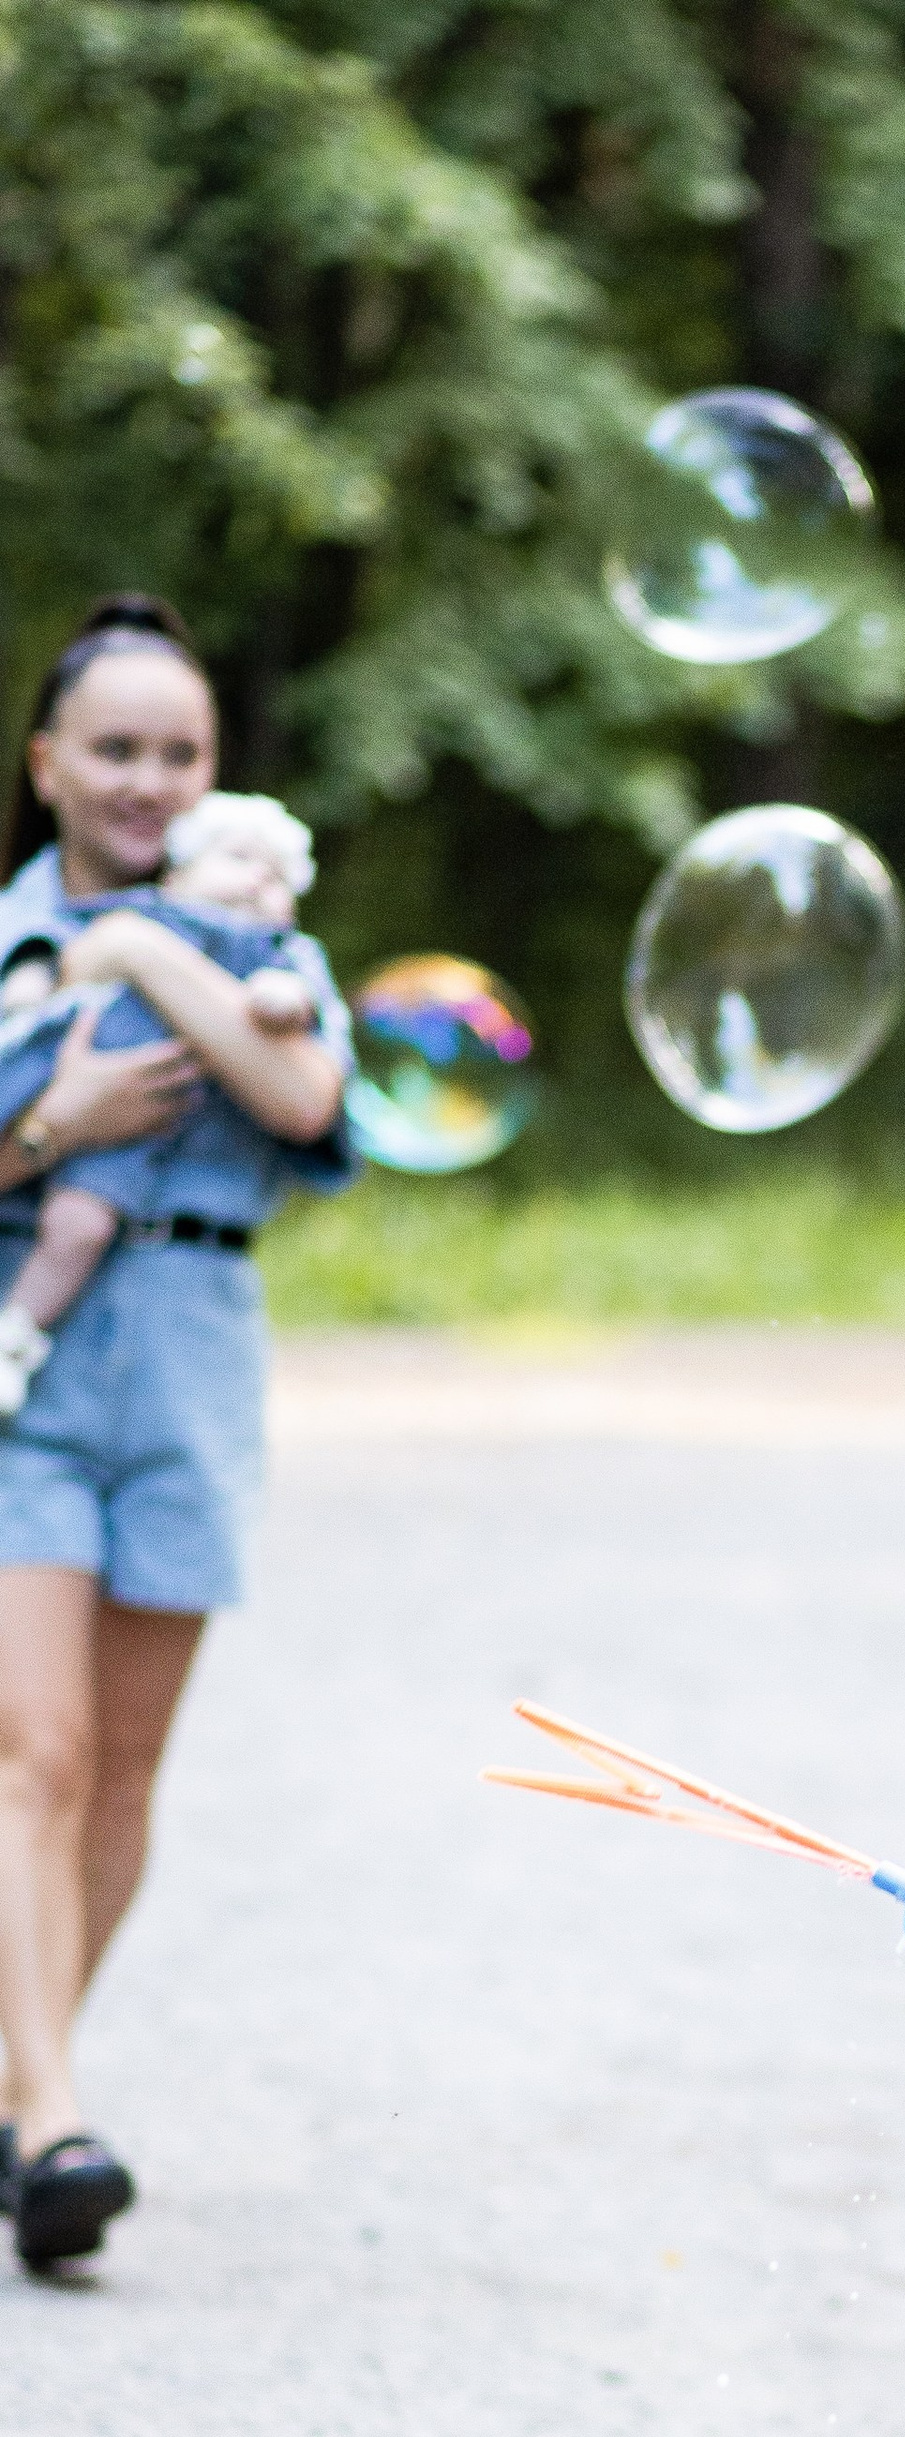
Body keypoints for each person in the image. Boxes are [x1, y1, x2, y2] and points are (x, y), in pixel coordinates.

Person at [0, 596, 353, 2277]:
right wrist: (52, 1127)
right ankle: (54, 2115)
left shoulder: (264, 936)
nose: (149, 780)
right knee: (34, 1755)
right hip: (28, 1377)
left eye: (181, 753)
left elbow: (302, 1104)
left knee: (125, 1771)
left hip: (198, 1363)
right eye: (118, 749)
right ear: (48, 762)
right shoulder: (5, 930)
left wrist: (141, 952)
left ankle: (19, 2097)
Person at [0, 788, 330, 1414]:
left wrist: (280, 1002)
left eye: (279, 875)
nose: (260, 879)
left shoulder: (285, 955)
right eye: (238, 857)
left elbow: (306, 1088)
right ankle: (15, 1336)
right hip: (95, 1165)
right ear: (177, 872)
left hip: (192, 1309)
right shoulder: (119, 916)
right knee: (74, 1226)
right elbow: (49, 954)